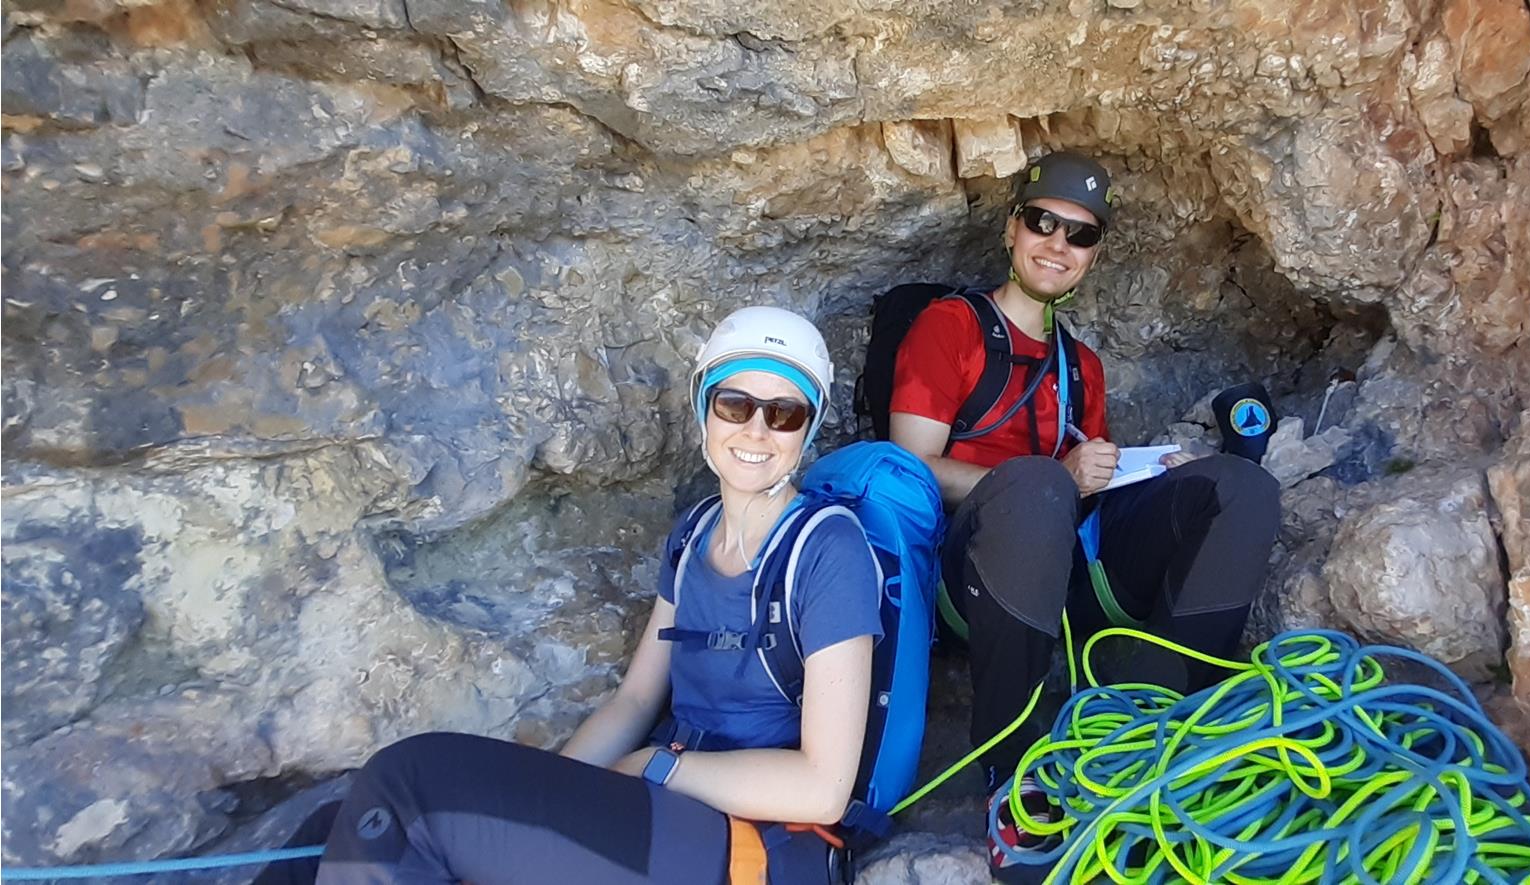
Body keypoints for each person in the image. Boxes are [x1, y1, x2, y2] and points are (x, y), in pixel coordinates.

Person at [261, 307, 880, 885]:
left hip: (758, 839)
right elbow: (635, 698)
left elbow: (822, 789)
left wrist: (657, 766)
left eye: (784, 414)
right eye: (735, 404)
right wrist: (548, 795)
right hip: (666, 804)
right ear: (704, 409)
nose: (756, 430)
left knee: (407, 782)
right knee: (333, 829)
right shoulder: (695, 534)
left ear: (808, 429)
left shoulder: (830, 548)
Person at [886, 151, 1284, 875]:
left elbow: (1086, 493)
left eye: (1080, 234)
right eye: (1043, 223)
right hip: (969, 577)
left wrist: (1155, 478)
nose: (1058, 244)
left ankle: (1157, 734)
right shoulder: (952, 328)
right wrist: (1056, 480)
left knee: (1238, 488)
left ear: (1093, 253)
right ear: (1012, 229)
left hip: (1068, 568)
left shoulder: (1082, 366)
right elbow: (909, 466)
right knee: (1037, 485)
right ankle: (1014, 776)